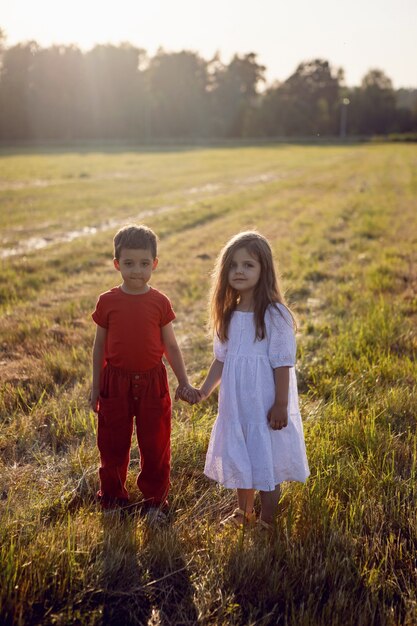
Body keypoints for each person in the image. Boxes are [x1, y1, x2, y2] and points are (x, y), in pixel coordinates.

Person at [189, 231, 309, 529]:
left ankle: (267, 520)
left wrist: (281, 404)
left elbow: (283, 364)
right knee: (241, 458)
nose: (239, 271)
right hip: (236, 405)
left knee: (264, 459)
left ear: (263, 270)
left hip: (265, 404)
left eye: (248, 265)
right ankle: (244, 512)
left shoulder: (274, 314)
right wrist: (204, 391)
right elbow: (221, 359)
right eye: (233, 266)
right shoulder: (227, 314)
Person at [90, 224, 198, 522]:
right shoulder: (107, 301)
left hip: (153, 382)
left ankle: (154, 502)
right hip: (116, 381)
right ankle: (112, 499)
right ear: (116, 264)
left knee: (156, 445)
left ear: (154, 264)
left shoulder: (159, 302)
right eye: (128, 264)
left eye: (143, 264)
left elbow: (171, 347)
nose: (136, 271)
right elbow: (99, 348)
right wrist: (95, 385)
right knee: (112, 444)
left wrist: (184, 381)